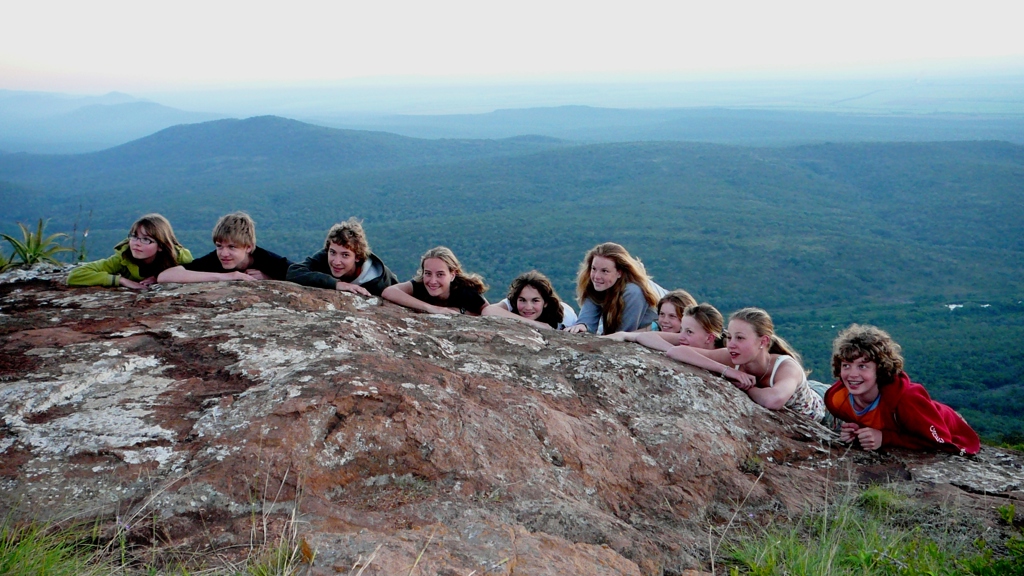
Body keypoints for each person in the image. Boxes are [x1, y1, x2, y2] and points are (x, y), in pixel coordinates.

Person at [630, 307, 825, 421]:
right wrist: (727, 371)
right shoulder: (731, 358)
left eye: (740, 338)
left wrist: (748, 388)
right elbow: (675, 351)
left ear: (763, 342)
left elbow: (773, 400)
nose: (731, 344)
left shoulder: (786, 367)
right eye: (730, 337)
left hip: (827, 411)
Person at [825, 324, 980, 454]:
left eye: (862, 366)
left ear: (880, 369)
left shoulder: (907, 399)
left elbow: (940, 440)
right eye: (846, 365)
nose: (852, 375)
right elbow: (875, 420)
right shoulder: (837, 398)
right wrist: (856, 431)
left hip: (941, 422)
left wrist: (885, 438)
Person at [157, 212, 291, 284]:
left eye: (232, 247)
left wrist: (270, 279)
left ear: (248, 247)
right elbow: (165, 276)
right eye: (219, 246)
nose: (224, 253)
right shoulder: (214, 259)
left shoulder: (268, 261)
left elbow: (305, 277)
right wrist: (226, 276)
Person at [67, 214, 192, 289]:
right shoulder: (123, 258)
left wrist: (160, 277)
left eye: (146, 240)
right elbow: (75, 276)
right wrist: (120, 280)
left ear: (160, 245)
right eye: (134, 236)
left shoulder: (178, 257)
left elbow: (198, 273)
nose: (136, 243)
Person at [286, 218, 398, 296]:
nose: (336, 262)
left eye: (345, 255)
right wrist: (335, 284)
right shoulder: (325, 255)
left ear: (358, 257)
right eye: (333, 252)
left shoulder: (377, 281)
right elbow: (293, 272)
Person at [564, 242, 659, 335]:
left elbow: (623, 334)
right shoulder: (598, 286)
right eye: (594, 269)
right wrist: (582, 326)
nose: (596, 276)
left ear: (619, 273)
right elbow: (587, 320)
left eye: (604, 271)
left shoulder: (633, 292)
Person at [382, 246, 488, 315]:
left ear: (452, 275)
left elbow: (487, 311)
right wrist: (431, 308)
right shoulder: (420, 284)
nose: (433, 281)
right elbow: (389, 292)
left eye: (440, 274)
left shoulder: (465, 291)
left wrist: (462, 312)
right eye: (428, 273)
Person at [606, 302, 724, 351]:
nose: (681, 336)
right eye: (682, 329)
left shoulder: (726, 354)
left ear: (709, 338)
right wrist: (674, 350)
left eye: (689, 332)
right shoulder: (682, 340)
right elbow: (645, 336)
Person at [482, 270, 578, 330]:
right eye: (522, 300)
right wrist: (535, 324)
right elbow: (488, 310)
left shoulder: (566, 316)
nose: (528, 307)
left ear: (546, 302)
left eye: (535, 301)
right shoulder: (512, 303)